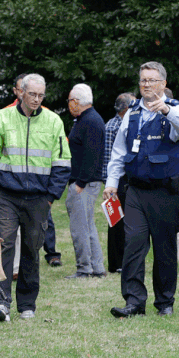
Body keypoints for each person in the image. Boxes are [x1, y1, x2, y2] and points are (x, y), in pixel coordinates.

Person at [104, 61, 179, 317]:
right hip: (135, 191)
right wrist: (112, 182)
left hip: (166, 192)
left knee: (164, 248)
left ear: (163, 84)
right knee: (133, 244)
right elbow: (119, 150)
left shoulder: (175, 112)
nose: (146, 85)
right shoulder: (132, 112)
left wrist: (166, 109)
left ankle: (165, 302)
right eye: (143, 80)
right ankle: (134, 302)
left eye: (152, 80)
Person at [0, 74, 70, 321]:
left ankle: (27, 305)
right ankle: (1, 302)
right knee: (6, 246)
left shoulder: (54, 121)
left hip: (39, 198)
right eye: (32, 94)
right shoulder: (2, 118)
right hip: (7, 196)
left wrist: (50, 198)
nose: (36, 99)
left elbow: (63, 163)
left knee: (32, 249)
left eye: (41, 95)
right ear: (21, 92)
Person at [64, 83, 106, 278]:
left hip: (84, 183)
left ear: (77, 102)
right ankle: (96, 267)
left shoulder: (90, 121)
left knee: (79, 227)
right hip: (87, 181)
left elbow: (92, 155)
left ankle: (84, 268)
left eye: (70, 100)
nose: (69, 104)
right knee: (88, 226)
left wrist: (80, 183)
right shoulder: (87, 119)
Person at [103, 93, 136, 273]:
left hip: (126, 180)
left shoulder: (128, 123)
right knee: (116, 223)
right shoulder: (113, 126)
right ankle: (116, 263)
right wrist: (110, 183)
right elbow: (110, 158)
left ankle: (124, 261)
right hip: (117, 182)